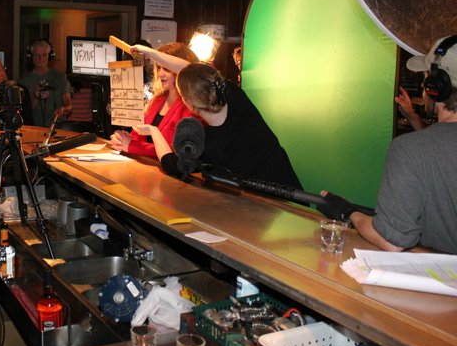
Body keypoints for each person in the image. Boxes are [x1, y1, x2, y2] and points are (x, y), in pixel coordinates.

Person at [319, 36, 457, 254]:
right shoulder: (423, 149)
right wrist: (412, 117)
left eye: (426, 77)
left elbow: (393, 241)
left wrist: (347, 212)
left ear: (435, 87)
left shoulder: (409, 150)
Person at [129, 44, 302, 188]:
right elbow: (191, 70)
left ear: (188, 102)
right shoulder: (233, 94)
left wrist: (153, 131)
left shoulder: (205, 143)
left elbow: (170, 164)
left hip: (263, 203)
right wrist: (151, 53)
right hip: (287, 188)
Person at [109, 42, 200, 159]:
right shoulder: (157, 99)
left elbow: (176, 151)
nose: (161, 74)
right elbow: (138, 136)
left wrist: (132, 146)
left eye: (167, 69)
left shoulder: (192, 106)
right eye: (158, 67)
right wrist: (123, 139)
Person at [18, 39, 73, 127]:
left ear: (50, 56)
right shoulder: (22, 82)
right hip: (34, 129)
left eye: (44, 55)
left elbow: (69, 105)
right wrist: (35, 97)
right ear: (31, 56)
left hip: (58, 127)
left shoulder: (61, 77)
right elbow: (23, 112)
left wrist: (63, 109)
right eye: (37, 55)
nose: (40, 59)